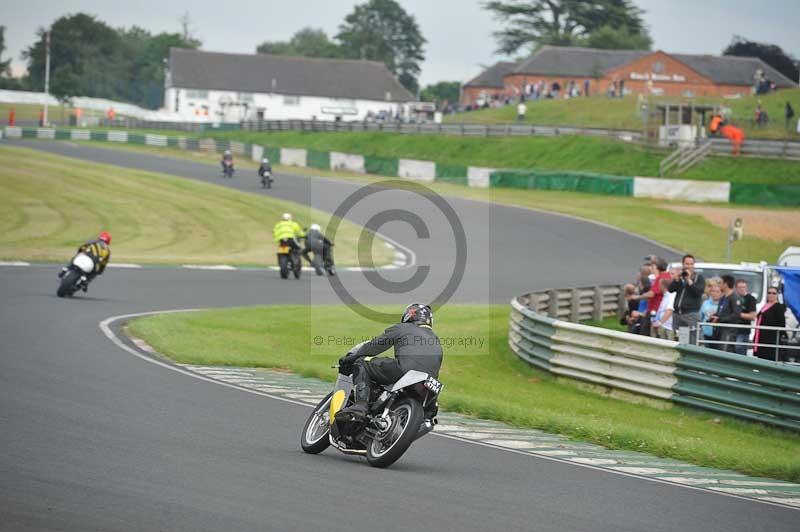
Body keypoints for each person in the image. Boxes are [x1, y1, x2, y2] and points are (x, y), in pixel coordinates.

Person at [337, 304, 443, 419]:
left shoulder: (403, 328)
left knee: (362, 362)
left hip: (404, 371)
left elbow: (375, 346)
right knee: (428, 416)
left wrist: (351, 358)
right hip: (430, 385)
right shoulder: (436, 340)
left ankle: (360, 405)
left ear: (410, 315)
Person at [668, 254, 705, 341]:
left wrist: (689, 281)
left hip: (690, 314)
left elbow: (698, 292)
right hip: (678, 314)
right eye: (687, 264)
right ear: (683, 264)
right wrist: (677, 279)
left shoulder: (699, 278)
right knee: (681, 340)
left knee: (693, 339)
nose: (689, 266)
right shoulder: (680, 277)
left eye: (691, 264)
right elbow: (670, 289)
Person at [753, 287, 786, 361]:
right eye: (769, 293)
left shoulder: (778, 307)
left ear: (777, 295)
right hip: (761, 337)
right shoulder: (765, 305)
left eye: (774, 293)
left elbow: (782, 324)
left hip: (770, 340)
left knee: (768, 358)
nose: (771, 295)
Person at [711, 275, 737, 352]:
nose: (719, 285)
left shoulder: (734, 298)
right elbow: (721, 312)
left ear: (726, 284)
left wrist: (719, 319)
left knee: (724, 353)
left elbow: (736, 315)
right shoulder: (723, 297)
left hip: (728, 331)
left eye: (721, 283)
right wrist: (713, 317)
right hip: (719, 331)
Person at [732, 279, 758, 355]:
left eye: (744, 287)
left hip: (743, 330)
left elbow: (753, 316)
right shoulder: (732, 298)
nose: (742, 289)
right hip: (731, 329)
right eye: (740, 287)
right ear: (735, 288)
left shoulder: (751, 299)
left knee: (739, 348)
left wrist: (738, 314)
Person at [699, 279, 723, 347]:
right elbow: (700, 317)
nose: (714, 293)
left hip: (720, 336)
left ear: (721, 293)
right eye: (713, 291)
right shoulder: (705, 303)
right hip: (706, 335)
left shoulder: (724, 305)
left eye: (717, 292)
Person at [652, 276, 676, 340]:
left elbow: (669, 310)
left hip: (668, 327)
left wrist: (660, 322)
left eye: (659, 285)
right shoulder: (665, 296)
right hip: (663, 325)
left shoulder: (671, 295)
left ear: (663, 286)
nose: (658, 287)